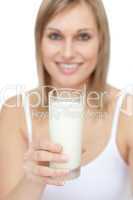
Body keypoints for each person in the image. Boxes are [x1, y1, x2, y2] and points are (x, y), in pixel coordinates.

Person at [0, 0, 133, 199]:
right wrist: (33, 180)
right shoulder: (15, 111)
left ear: (101, 42)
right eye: (55, 36)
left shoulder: (127, 112)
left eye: (83, 36)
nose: (68, 53)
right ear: (39, 40)